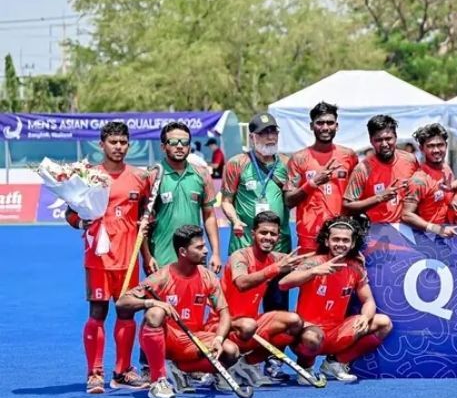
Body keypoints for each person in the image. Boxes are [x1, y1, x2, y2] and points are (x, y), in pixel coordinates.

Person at [66, 122, 154, 394]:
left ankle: (122, 371)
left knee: (127, 312)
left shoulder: (140, 177)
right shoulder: (88, 176)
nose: (118, 147)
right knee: (98, 312)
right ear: (101, 144)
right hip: (99, 259)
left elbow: (145, 215)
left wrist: (147, 251)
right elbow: (70, 213)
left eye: (123, 142)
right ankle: (94, 374)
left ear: (129, 145)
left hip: (129, 259)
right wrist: (82, 223)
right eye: (113, 142)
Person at [117, 225, 240, 398]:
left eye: (204, 246)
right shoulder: (162, 276)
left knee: (231, 352)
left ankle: (181, 369)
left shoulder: (209, 277)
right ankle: (158, 381)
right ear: (183, 251)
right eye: (199, 247)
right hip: (167, 337)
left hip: (192, 340)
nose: (206, 251)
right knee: (155, 313)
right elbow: (122, 302)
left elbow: (224, 314)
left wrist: (218, 339)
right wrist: (151, 302)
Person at [279, 217, 393, 383]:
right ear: (327, 241)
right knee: (312, 337)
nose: (340, 244)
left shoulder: (355, 268)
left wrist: (366, 316)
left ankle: (335, 363)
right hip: (308, 334)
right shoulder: (313, 263)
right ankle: (305, 369)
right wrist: (314, 271)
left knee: (383, 323)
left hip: (337, 333)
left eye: (345, 240)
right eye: (336, 239)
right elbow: (283, 284)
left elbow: (368, 301)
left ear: (352, 244)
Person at [220, 211, 310, 386]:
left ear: (278, 237)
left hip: (252, 323)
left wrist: (341, 255)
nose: (268, 237)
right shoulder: (240, 256)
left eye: (273, 234)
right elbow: (241, 283)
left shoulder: (276, 258)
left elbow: (307, 260)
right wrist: (274, 269)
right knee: (248, 326)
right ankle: (222, 366)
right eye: (263, 233)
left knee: (294, 321)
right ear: (253, 233)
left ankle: (246, 364)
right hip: (223, 323)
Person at [222, 113, 292, 313]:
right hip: (245, 243)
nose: (270, 137)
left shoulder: (286, 164)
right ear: (252, 137)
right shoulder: (237, 163)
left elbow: (292, 199)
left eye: (273, 132)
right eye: (263, 133)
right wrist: (235, 220)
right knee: (241, 309)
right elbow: (226, 201)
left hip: (278, 245)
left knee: (277, 307)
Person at [145, 122, 221, 274]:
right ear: (163, 146)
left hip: (195, 258)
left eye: (184, 142)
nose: (180, 146)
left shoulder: (202, 174)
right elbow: (143, 222)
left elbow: (209, 216)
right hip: (162, 259)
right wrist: (147, 256)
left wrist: (216, 253)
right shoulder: (152, 175)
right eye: (173, 142)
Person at [285, 102, 359, 252]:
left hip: (341, 235)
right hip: (309, 236)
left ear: (337, 126)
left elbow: (356, 196)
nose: (325, 127)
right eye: (320, 123)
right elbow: (288, 201)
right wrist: (312, 184)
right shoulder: (298, 159)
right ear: (311, 126)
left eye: (330, 123)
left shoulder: (349, 156)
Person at [343, 115, 418, 225]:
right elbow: (347, 205)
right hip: (377, 229)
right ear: (371, 141)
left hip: (408, 228)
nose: (384, 144)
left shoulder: (410, 160)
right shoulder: (363, 169)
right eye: (378, 140)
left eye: (388, 139)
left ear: (396, 137)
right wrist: (379, 198)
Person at [402, 123, 457, 237]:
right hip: (428, 239)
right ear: (421, 148)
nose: (436, 150)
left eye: (440, 145)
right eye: (431, 146)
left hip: (449, 234)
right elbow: (406, 215)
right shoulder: (418, 180)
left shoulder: (446, 169)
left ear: (446, 145)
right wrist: (435, 229)